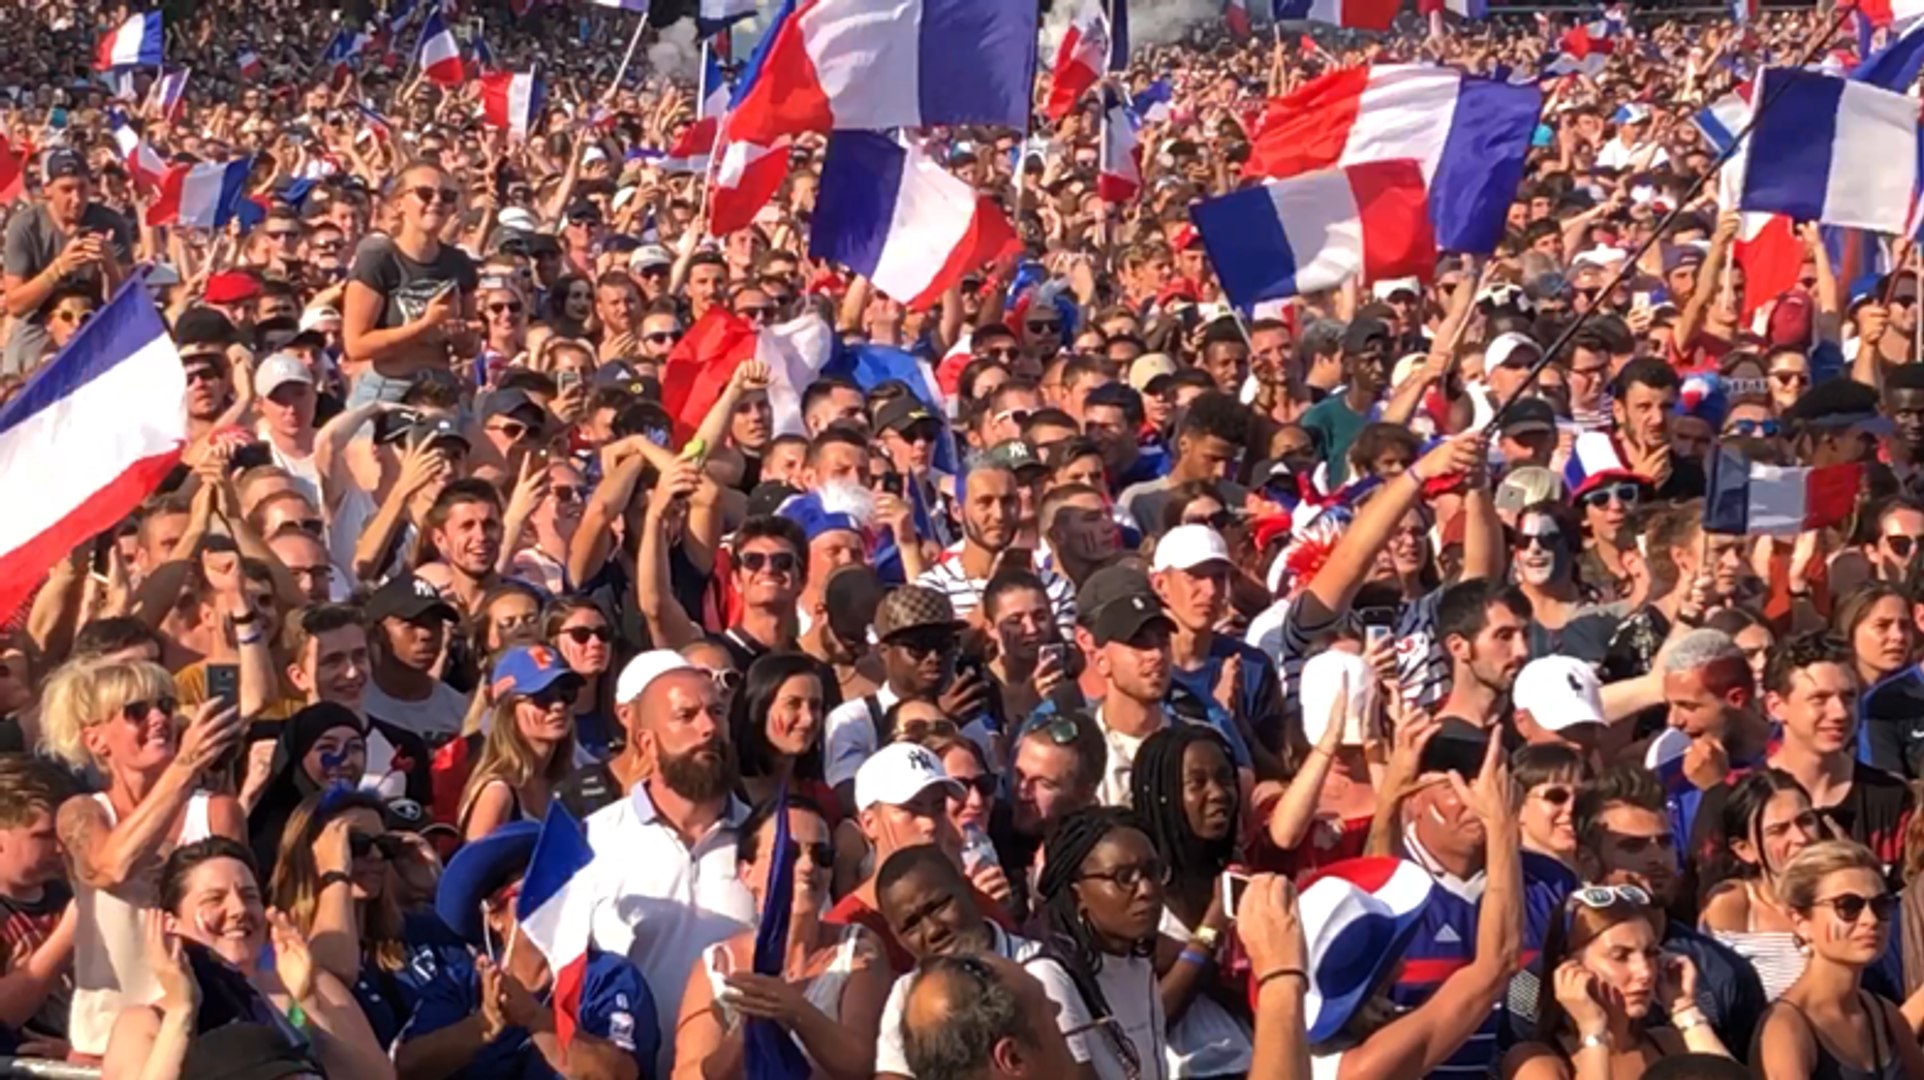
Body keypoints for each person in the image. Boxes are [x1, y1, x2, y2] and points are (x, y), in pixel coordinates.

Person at [43, 660, 246, 1058]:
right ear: (96, 740)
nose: (158, 719)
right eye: (137, 711)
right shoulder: (83, 813)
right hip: (106, 1039)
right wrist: (185, 767)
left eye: (166, 707)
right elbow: (112, 866)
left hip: (206, 1029)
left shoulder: (217, 812)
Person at [585, 651, 756, 1075]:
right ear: (646, 741)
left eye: (717, 712)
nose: (708, 728)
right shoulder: (593, 840)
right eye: (687, 716)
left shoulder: (769, 841)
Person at [101, 838, 393, 1080]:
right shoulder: (146, 1022)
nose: (239, 909)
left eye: (249, 895)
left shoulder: (310, 986)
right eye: (214, 899)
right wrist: (181, 1013)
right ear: (170, 924)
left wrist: (311, 1004)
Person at [410, 821, 661, 1079]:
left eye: (564, 886)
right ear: (495, 916)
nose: (556, 899)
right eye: (536, 889)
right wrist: (482, 1025)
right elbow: (405, 1067)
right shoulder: (460, 982)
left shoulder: (608, 977)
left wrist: (535, 1017)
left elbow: (621, 1075)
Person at [673, 795, 890, 1079]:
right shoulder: (717, 965)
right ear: (746, 872)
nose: (807, 866)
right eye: (787, 854)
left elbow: (863, 1064)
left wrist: (792, 1009)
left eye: (821, 855)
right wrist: (744, 1033)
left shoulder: (858, 949)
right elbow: (685, 1075)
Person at [872, 845, 1102, 1079]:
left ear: (967, 889)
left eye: (938, 906)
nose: (932, 931)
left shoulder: (1038, 973)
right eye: (911, 925)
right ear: (897, 938)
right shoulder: (908, 996)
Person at [1502, 883, 1731, 1078]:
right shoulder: (1538, 1062)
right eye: (1620, 956)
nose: (1645, 972)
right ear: (1569, 968)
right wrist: (1593, 1032)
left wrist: (1684, 1009)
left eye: (1651, 953)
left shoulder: (1670, 1044)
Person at [1128, 724, 1252, 1076]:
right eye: (1197, 784)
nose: (1217, 794)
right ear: (1162, 794)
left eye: (1225, 779)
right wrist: (1212, 927)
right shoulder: (1140, 893)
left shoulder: (1238, 873)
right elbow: (1153, 1019)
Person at [1755, 840, 1924, 1079]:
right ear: (1801, 921)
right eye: (1848, 906)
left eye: (1881, 905)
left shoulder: (1883, 1014)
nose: (1870, 919)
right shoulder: (1787, 1028)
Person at [1030, 807, 1172, 1079]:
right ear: (1076, 896)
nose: (1147, 890)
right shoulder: (1051, 979)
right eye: (1123, 877)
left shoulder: (1139, 964)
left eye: (1152, 872)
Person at [1763, 633, 1912, 874]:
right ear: (1776, 706)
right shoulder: (1737, 799)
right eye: (1819, 699)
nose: (1840, 713)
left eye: (1849, 696)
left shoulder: (1892, 798)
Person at [1700, 769, 1822, 1002]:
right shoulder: (1732, 905)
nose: (1801, 838)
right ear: (1745, 849)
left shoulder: (1845, 900)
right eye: (1779, 830)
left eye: (1806, 821)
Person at [456, 644, 582, 841]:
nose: (558, 706)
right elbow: (475, 868)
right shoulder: (498, 793)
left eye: (567, 694)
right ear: (508, 710)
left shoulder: (566, 781)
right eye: (542, 697)